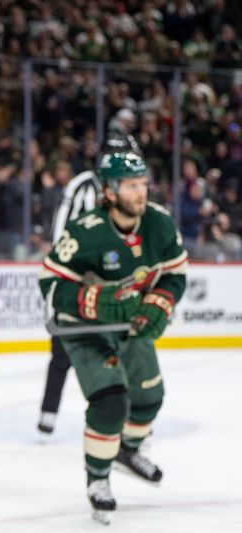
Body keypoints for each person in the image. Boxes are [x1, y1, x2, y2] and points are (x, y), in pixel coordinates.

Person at [38, 151, 188, 522]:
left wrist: (162, 302)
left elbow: (176, 273)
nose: (141, 192)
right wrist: (94, 301)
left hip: (130, 323)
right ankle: (98, 478)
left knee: (150, 396)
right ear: (109, 190)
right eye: (131, 185)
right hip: (84, 329)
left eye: (142, 183)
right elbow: (50, 285)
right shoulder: (85, 230)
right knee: (110, 403)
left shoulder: (159, 223)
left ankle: (127, 450)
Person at [37, 134, 139, 436]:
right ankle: (48, 413)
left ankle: (120, 419)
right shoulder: (81, 187)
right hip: (79, 279)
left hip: (115, 282)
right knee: (63, 350)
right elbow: (60, 238)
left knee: (120, 349)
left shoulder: (130, 191)